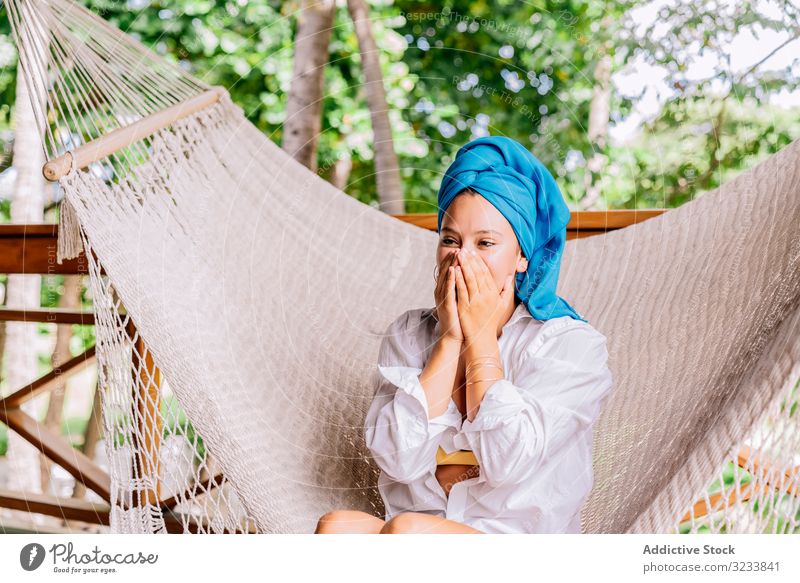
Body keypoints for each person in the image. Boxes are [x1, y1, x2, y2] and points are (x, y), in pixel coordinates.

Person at [314, 136, 614, 534]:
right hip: (416, 534)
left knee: (408, 533)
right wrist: (451, 339)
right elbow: (397, 460)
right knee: (337, 527)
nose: (462, 258)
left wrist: (481, 340)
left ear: (522, 256)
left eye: (485, 243)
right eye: (450, 240)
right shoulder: (408, 334)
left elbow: (508, 464)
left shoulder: (570, 346)